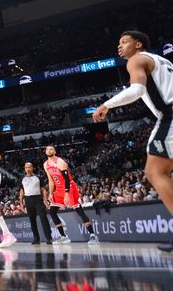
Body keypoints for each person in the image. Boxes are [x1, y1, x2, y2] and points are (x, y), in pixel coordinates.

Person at [93, 30, 173, 252]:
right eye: (119, 43)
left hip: (170, 116)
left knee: (155, 171)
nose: (120, 46)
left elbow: (136, 90)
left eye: (125, 42)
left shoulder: (137, 59)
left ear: (138, 45)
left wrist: (107, 105)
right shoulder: (162, 59)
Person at [43, 145, 98, 245]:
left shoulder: (60, 162)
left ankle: (93, 235)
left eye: (51, 149)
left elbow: (67, 179)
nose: (49, 150)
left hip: (69, 186)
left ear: (55, 151)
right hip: (58, 188)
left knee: (78, 210)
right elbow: (51, 181)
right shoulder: (46, 164)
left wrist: (67, 194)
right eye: (47, 149)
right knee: (52, 211)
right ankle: (63, 237)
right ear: (45, 152)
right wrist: (51, 193)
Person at [20, 162, 53, 245]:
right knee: (32, 220)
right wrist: (21, 203)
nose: (28, 169)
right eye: (26, 167)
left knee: (43, 219)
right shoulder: (22, 179)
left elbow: (43, 190)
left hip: (38, 199)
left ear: (32, 168)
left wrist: (45, 201)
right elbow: (21, 191)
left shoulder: (38, 177)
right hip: (28, 200)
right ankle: (36, 239)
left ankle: (49, 238)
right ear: (24, 169)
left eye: (29, 167)